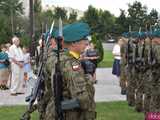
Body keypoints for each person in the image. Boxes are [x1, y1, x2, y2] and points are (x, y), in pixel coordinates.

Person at [38, 22, 96, 120]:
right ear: (73, 43)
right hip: (69, 115)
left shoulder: (57, 57)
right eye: (84, 39)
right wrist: (89, 79)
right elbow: (83, 100)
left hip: (54, 111)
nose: (87, 43)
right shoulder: (71, 64)